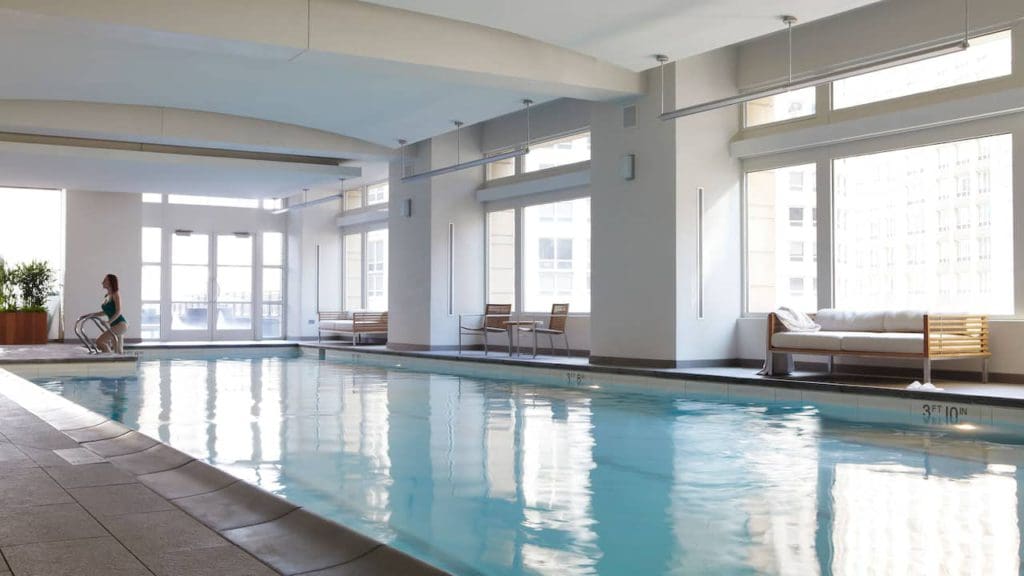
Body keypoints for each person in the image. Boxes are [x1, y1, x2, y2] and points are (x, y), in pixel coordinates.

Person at [80, 273, 127, 353]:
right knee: (118, 351)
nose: (102, 282)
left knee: (100, 342)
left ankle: (109, 359)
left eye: (105, 280)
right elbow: (104, 312)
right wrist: (89, 315)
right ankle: (113, 363)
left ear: (110, 282)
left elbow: (118, 311)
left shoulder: (115, 294)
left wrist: (108, 322)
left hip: (120, 324)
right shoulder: (107, 296)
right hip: (114, 325)